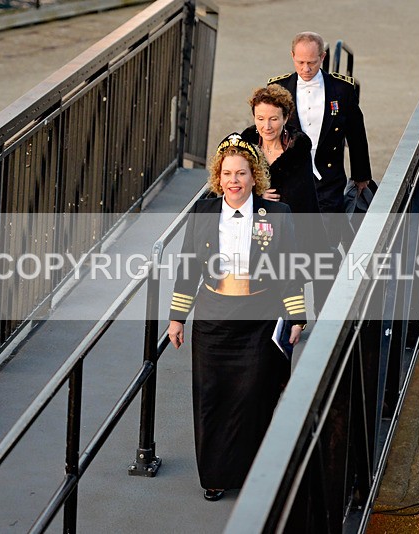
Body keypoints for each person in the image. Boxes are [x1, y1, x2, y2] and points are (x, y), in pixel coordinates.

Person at [166, 133, 307, 502]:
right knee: (211, 400)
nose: (234, 180)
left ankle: (251, 475)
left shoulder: (277, 214)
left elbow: (290, 267)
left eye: (241, 173)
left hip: (259, 320)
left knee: (252, 399)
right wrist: (177, 318)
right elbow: (188, 268)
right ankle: (214, 477)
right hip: (212, 322)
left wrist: (296, 316)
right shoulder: (203, 212)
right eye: (227, 173)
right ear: (218, 176)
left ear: (254, 175)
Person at [268, 31, 376, 248]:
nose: (306, 69)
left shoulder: (342, 89)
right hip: (290, 177)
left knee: (327, 243)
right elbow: (264, 135)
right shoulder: (277, 89)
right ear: (292, 56)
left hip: (328, 178)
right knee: (289, 241)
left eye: (312, 62)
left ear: (323, 57)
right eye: (300, 62)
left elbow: (356, 134)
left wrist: (361, 176)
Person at [240, 84, 333, 311]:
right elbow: (231, 185)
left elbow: (302, 196)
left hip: (294, 228)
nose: (266, 126)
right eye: (260, 118)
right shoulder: (245, 146)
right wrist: (256, 194)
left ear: (286, 117)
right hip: (254, 230)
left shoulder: (298, 148)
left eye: (273, 119)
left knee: (291, 284)